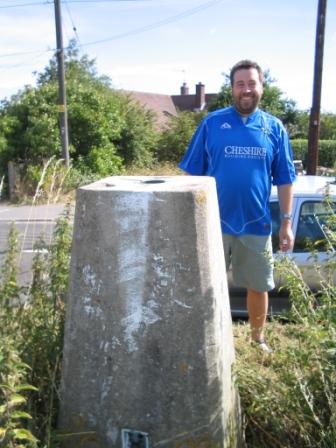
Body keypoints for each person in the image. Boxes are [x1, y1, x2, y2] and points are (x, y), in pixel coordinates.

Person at [179, 59, 296, 353]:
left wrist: (286, 222)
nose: (246, 89)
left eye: (251, 83)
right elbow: (191, 174)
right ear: (232, 89)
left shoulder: (274, 128)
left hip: (256, 223)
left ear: (261, 87)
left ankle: (257, 340)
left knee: (259, 285)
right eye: (240, 84)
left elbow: (285, 179)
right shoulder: (212, 123)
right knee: (207, 284)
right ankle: (208, 340)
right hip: (213, 222)